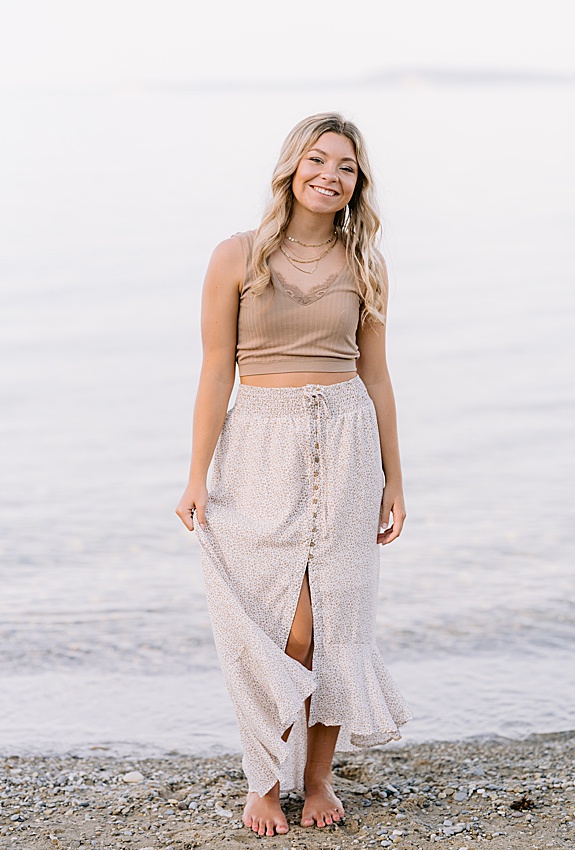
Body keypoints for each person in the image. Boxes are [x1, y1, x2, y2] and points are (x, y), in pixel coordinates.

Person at [175, 113, 411, 837]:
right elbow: (217, 369)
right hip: (259, 446)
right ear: (291, 168)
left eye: (346, 167)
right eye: (319, 160)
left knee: (334, 622)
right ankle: (262, 780)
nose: (330, 176)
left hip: (346, 441)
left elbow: (376, 377)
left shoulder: (365, 264)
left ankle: (316, 780)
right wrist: (195, 475)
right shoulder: (237, 256)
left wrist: (394, 480)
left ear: (356, 184)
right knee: (283, 632)